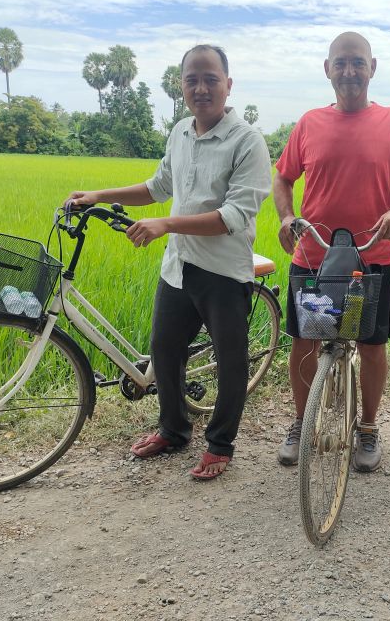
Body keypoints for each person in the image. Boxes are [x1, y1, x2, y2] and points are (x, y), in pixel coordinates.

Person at [66, 45, 271, 480]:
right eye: (192, 79)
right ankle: (174, 430)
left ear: (228, 84)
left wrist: (167, 225)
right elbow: (159, 184)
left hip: (223, 272)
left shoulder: (247, 141)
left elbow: (234, 217)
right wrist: (100, 195)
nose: (201, 88)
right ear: (182, 86)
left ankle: (220, 444)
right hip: (178, 266)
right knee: (164, 348)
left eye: (210, 79)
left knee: (231, 359)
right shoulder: (180, 131)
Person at [273, 32, 390, 472]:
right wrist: (287, 217)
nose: (349, 72)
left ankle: (368, 427)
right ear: (327, 69)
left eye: (357, 63)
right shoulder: (308, 124)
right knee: (305, 340)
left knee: (372, 342)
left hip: (372, 258)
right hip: (313, 256)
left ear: (372, 67)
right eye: (340, 63)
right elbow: (282, 179)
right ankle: (302, 423)